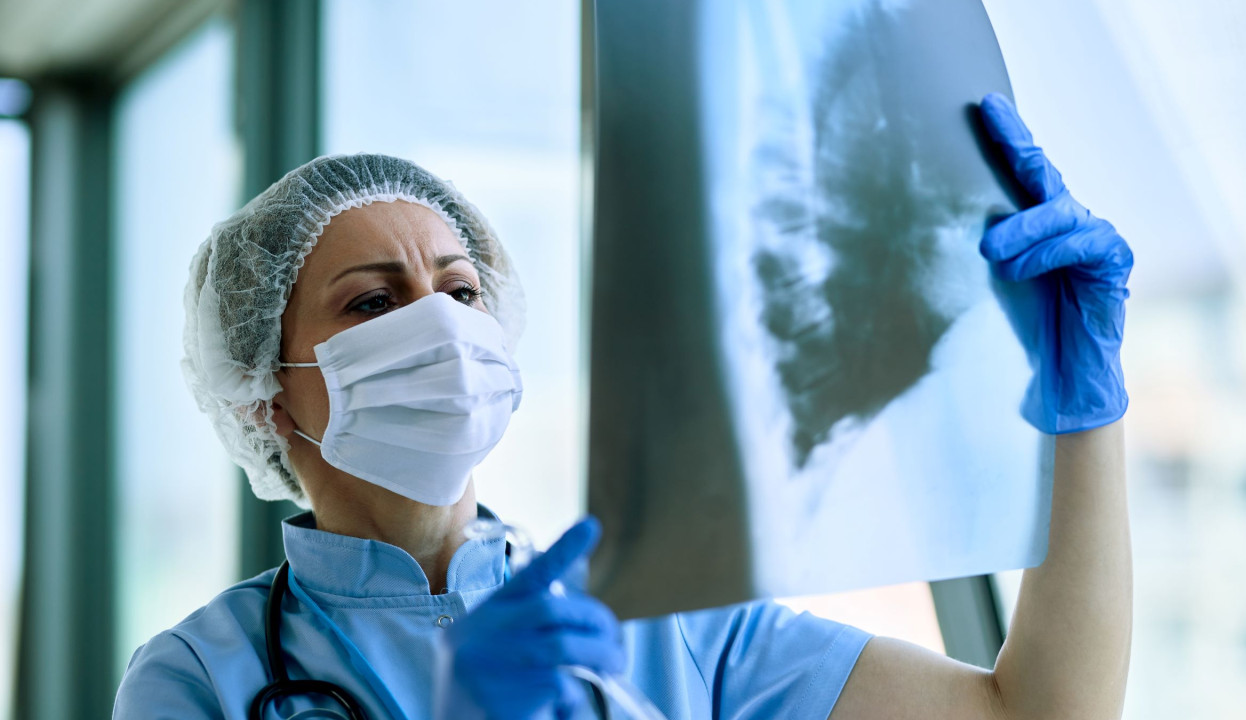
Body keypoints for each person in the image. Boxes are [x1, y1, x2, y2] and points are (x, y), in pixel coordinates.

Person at [113, 93, 1133, 719]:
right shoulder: (201, 677)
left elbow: (1040, 712)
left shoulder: (655, 620)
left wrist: (1082, 416)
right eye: (373, 303)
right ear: (260, 397)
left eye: (461, 292)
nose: (439, 330)